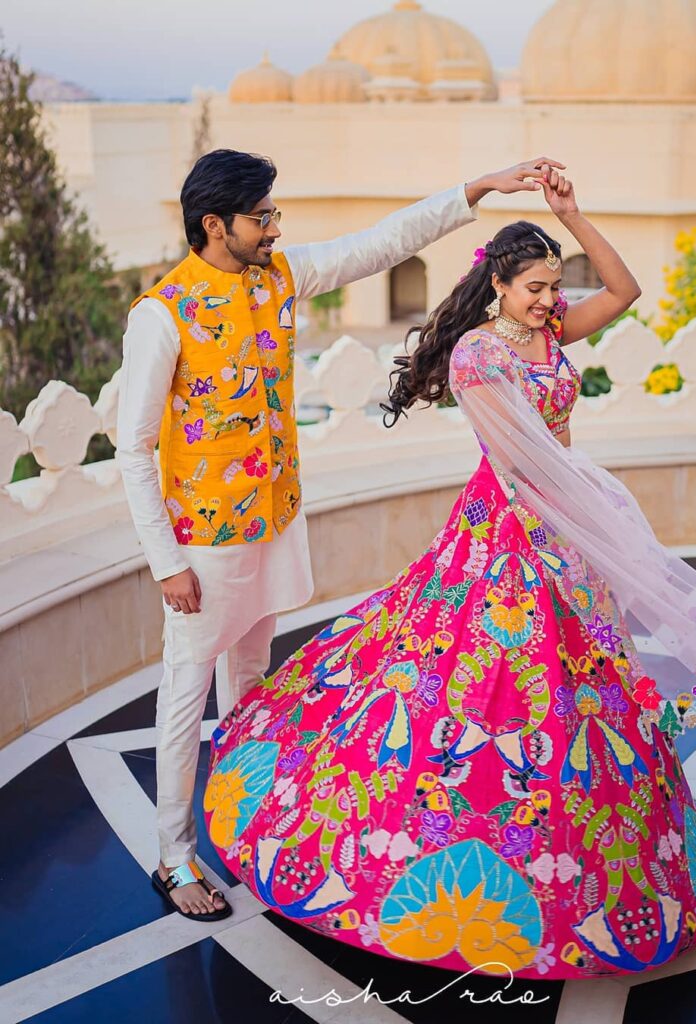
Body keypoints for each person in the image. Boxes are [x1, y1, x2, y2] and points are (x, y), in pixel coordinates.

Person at [202, 167, 696, 978]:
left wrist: (572, 216)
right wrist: (596, 524)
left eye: (552, 285)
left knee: (582, 698)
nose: (548, 300)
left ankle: (587, 874)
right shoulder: (477, 355)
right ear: (495, 284)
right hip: (508, 533)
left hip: (565, 525)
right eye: (533, 287)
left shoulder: (550, 332)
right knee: (483, 692)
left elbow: (626, 289)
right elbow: (518, 460)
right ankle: (451, 866)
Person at [115, 148, 565, 921]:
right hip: (204, 544)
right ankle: (174, 856)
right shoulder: (163, 312)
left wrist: (476, 188)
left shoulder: (278, 278)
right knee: (187, 691)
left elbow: (381, 244)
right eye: (262, 218)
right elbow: (132, 445)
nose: (275, 229)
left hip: (276, 518)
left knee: (253, 677)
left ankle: (242, 817)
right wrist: (165, 563)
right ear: (214, 224)